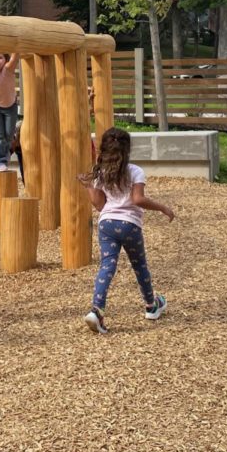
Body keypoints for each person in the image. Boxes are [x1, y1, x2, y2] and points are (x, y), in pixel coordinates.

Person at [77, 127, 174, 334]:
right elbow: (137, 199)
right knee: (139, 266)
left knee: (107, 266)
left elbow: (99, 205)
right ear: (127, 150)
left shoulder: (100, 172)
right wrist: (163, 207)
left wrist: (88, 186)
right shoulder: (135, 171)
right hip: (129, 225)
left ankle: (97, 309)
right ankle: (151, 306)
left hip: (107, 224)